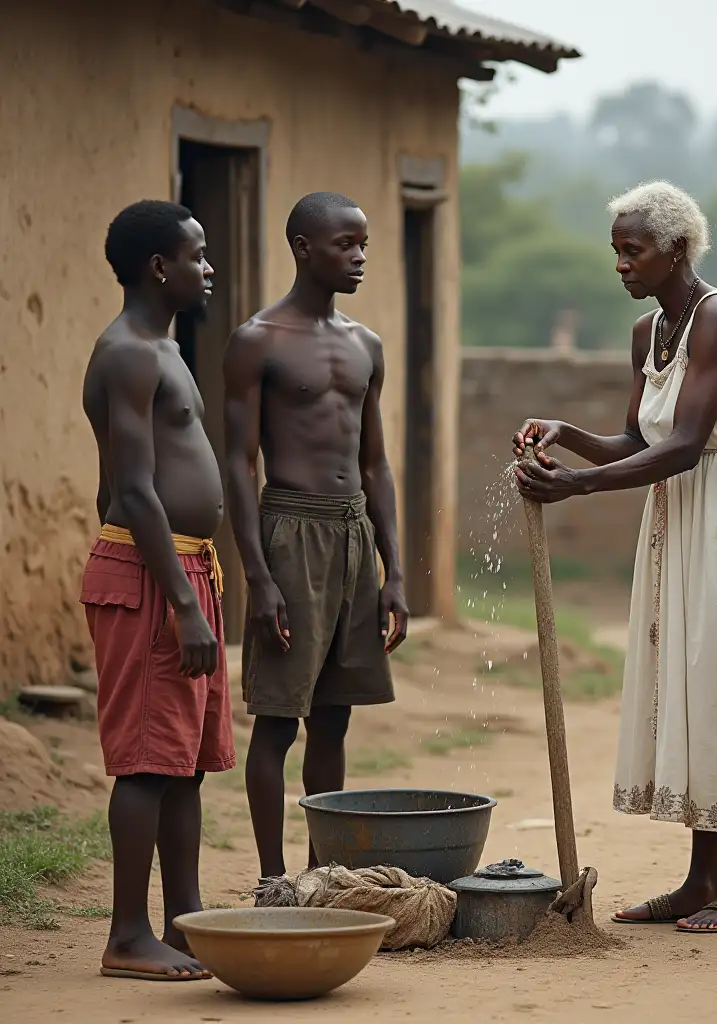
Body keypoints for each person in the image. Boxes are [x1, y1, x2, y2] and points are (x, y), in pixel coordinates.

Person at [513, 181, 717, 934]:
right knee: (689, 682)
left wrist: (578, 488)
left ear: (676, 249)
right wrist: (566, 433)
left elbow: (690, 444)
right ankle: (703, 879)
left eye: (632, 251)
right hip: (675, 513)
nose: (622, 264)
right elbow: (640, 441)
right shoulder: (648, 331)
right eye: (617, 252)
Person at [224, 191, 407, 881]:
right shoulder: (257, 341)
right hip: (289, 531)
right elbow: (239, 464)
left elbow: (375, 463)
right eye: (344, 244)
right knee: (278, 719)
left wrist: (396, 573)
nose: (359, 256)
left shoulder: (367, 345)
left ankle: (316, 874)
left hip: (353, 533)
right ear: (303, 247)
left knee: (333, 719)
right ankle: (273, 880)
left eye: (363, 243)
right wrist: (258, 576)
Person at [81, 200, 233, 981]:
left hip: (181, 568)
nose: (209, 268)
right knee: (146, 760)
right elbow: (134, 492)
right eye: (198, 256)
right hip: (151, 578)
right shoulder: (129, 353)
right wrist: (178, 602)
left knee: (186, 761)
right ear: (158, 268)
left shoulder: (163, 348)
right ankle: (128, 934)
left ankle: (183, 919)